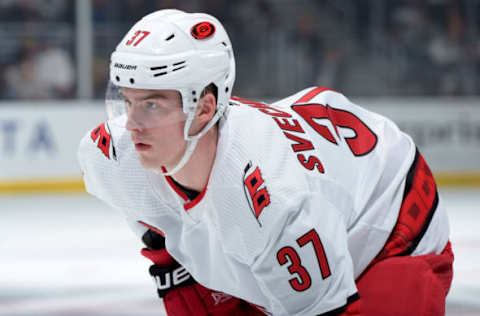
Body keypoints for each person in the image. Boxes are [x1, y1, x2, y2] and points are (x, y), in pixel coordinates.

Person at [78, 9, 454, 316]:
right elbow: (163, 244)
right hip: (318, 189)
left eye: (152, 104)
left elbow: (324, 310)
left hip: (394, 222)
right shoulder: (113, 154)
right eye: (127, 101)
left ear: (204, 109)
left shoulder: (273, 200)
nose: (132, 124)